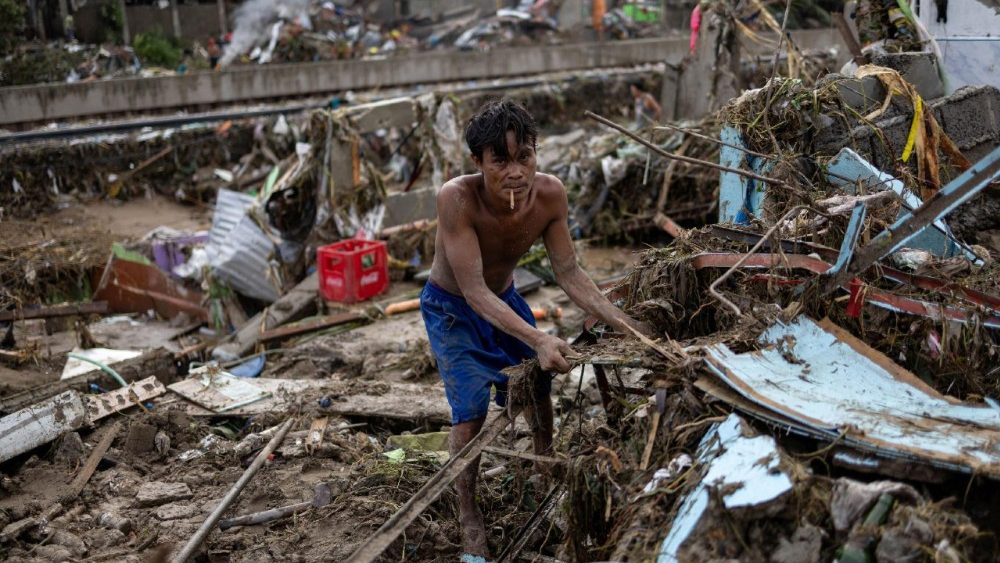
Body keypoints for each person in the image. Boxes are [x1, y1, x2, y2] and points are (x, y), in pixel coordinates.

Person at [419, 99, 652, 561]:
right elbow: (472, 292)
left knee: (538, 384)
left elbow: (568, 272)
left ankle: (544, 469)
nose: (514, 172)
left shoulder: (550, 196)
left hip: (503, 299)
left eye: (523, 156)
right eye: (499, 160)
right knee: (470, 412)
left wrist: (625, 323)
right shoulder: (457, 198)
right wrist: (540, 337)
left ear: (535, 155)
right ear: (478, 162)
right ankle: (468, 510)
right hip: (453, 308)